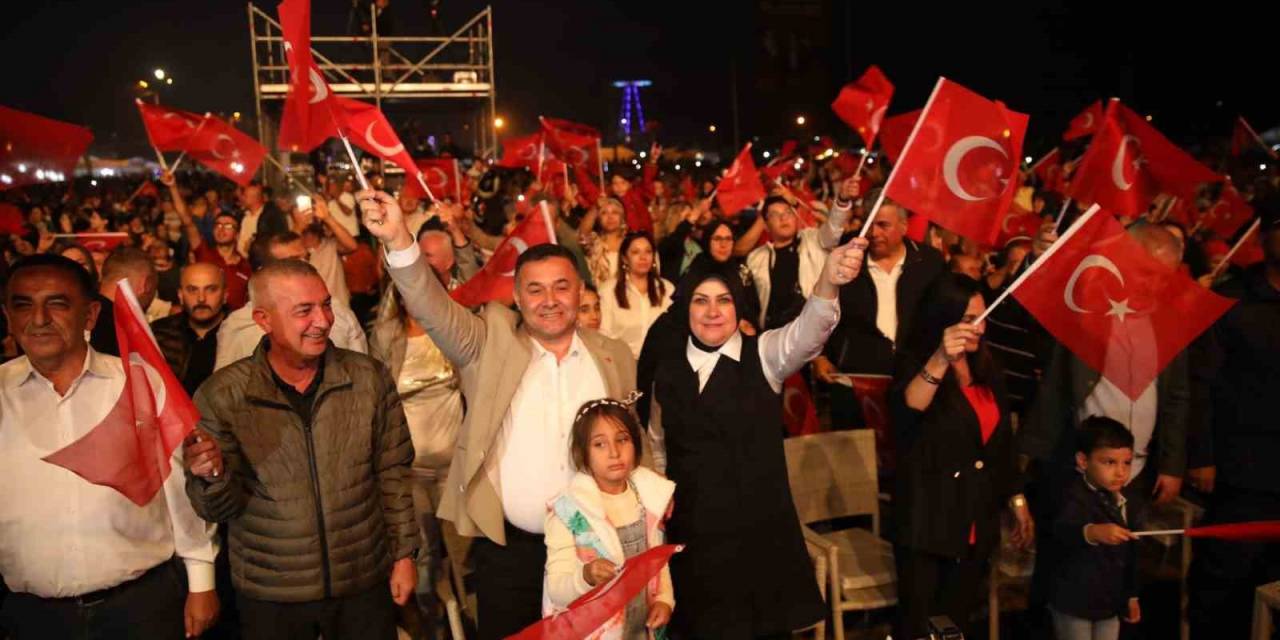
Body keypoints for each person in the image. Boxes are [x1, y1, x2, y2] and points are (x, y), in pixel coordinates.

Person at [359, 188, 637, 640]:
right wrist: (399, 241)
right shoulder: (488, 342)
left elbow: (633, 442)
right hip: (512, 553)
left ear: (581, 291)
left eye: (561, 286)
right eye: (535, 289)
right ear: (518, 297)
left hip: (599, 548)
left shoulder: (614, 356)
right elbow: (433, 309)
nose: (549, 299)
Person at [644, 234, 868, 638]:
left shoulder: (764, 353)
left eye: (724, 300)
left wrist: (828, 283)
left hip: (759, 538)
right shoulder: (667, 371)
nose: (713, 312)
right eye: (701, 300)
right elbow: (658, 448)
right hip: (695, 543)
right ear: (685, 309)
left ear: (739, 306)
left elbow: (809, 331)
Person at [182, 259, 417, 640]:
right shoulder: (223, 395)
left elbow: (393, 472)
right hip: (273, 593)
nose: (323, 320)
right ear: (263, 319)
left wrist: (404, 555)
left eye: (326, 305)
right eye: (304, 311)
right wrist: (212, 475)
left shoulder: (368, 378)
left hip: (362, 581)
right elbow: (217, 509)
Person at [0, 254, 219, 639]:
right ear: (8, 315)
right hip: (31, 617)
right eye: (23, 305)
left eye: (56, 303)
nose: (38, 319)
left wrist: (202, 579)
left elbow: (179, 491)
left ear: (89, 316)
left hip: (141, 608)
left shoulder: (138, 384)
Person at [889, 273, 1033, 639]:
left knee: (958, 624)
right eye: (969, 320)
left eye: (983, 317)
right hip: (928, 521)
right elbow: (910, 408)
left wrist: (1016, 500)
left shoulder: (987, 366)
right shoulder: (911, 361)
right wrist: (941, 357)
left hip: (975, 519)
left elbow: (1002, 444)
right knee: (920, 626)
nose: (980, 328)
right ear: (942, 318)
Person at [1187, 207, 1280, 639]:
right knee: (1224, 587)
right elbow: (1200, 383)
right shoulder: (1229, 299)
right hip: (1240, 472)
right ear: (1265, 238)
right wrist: (1202, 456)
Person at [543, 397, 675, 638]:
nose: (614, 452)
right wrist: (587, 575)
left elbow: (659, 558)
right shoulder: (568, 511)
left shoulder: (650, 497)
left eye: (622, 440)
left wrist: (664, 600)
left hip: (641, 628)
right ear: (582, 453)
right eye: (599, 444)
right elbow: (557, 589)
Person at [816, 188, 946, 428]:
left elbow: (942, 316)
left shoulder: (929, 263)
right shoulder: (845, 259)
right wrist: (820, 355)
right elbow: (824, 308)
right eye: (869, 224)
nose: (874, 233)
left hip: (913, 380)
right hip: (856, 380)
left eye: (883, 225)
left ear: (904, 226)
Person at [214, 232, 367, 370]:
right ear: (263, 270)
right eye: (293, 262)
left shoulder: (340, 314)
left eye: (306, 258)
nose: (306, 266)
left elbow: (362, 375)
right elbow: (224, 389)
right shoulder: (236, 325)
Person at [1046, 417, 1141, 640]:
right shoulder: (1070, 495)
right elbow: (1060, 531)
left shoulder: (1128, 500)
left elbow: (1131, 555)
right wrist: (1092, 532)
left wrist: (1131, 596)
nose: (1120, 472)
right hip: (1074, 603)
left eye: (1126, 463)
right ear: (1083, 461)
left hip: (1110, 603)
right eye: (1109, 462)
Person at [739, 176, 856, 330]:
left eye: (788, 212)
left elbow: (833, 229)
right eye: (775, 215)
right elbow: (749, 302)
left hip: (813, 332)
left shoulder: (815, 240)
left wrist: (841, 200)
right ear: (766, 226)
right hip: (773, 335)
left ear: (795, 217)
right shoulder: (756, 258)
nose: (783, 218)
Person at [165, 171, 252, 311]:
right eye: (217, 225)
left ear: (237, 234)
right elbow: (187, 221)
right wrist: (173, 187)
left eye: (228, 226)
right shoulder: (203, 252)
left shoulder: (246, 266)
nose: (221, 229)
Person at [151, 263, 227, 396]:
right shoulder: (159, 334)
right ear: (180, 295)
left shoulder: (240, 334)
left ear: (225, 295)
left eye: (211, 289)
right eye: (192, 290)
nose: (201, 298)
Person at [599, 231, 674, 358]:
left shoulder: (666, 288)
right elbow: (603, 335)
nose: (643, 257)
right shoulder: (608, 290)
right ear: (624, 258)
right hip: (622, 363)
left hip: (660, 364)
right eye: (635, 252)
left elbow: (674, 332)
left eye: (648, 252)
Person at [235, 184, 289, 258]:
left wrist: (254, 247)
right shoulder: (242, 216)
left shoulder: (272, 216)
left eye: (245, 196)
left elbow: (280, 239)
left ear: (254, 198)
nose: (242, 198)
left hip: (262, 261)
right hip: (241, 262)